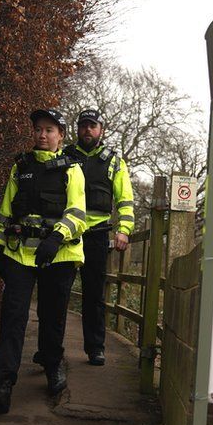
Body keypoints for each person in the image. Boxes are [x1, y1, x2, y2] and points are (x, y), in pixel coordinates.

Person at [0, 109, 87, 414]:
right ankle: (3, 385)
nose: (42, 135)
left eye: (49, 130)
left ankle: (53, 365)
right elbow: (5, 213)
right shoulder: (21, 168)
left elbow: (78, 213)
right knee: (13, 317)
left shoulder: (72, 169)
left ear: (61, 136)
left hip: (60, 255)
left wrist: (55, 239)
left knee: (52, 315)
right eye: (39, 130)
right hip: (20, 254)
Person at [53, 108, 134, 365]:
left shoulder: (114, 162)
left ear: (102, 129)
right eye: (84, 125)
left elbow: (125, 199)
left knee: (94, 295)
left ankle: (95, 348)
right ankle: (51, 349)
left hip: (97, 235)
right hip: (66, 234)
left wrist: (124, 230)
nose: (88, 129)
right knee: (57, 293)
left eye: (93, 125)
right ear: (77, 129)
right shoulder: (64, 156)